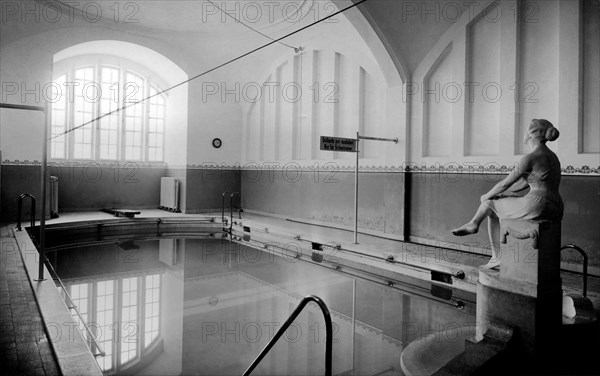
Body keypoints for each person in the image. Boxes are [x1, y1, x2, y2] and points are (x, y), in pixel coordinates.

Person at [452, 119, 563, 269]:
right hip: (555, 206)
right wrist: (502, 195)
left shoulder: (530, 157)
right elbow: (523, 184)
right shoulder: (552, 157)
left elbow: (505, 183)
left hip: (537, 204)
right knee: (495, 201)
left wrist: (487, 196)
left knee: (489, 204)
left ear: (531, 135)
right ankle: (480, 233)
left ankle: (486, 241)